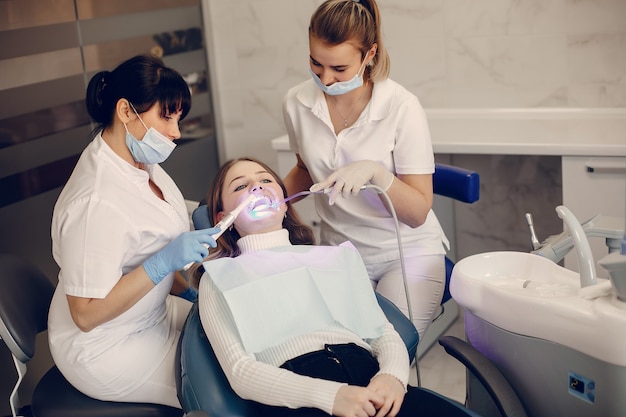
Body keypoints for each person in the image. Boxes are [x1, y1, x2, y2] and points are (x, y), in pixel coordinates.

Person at [190, 157, 477, 417]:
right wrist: (331, 396)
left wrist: (392, 376)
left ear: (285, 201)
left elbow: (383, 334)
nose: (257, 187)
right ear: (221, 218)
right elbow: (242, 372)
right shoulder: (218, 279)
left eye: (266, 180)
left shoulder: (332, 259)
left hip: (372, 383)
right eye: (241, 186)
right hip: (300, 398)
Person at [48, 54, 219, 408]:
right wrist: (163, 263)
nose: (175, 132)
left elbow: (148, 242)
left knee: (235, 339)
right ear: (126, 111)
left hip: (152, 313)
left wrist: (191, 293)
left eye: (178, 118)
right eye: (166, 116)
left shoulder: (141, 160)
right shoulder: (94, 202)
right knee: (220, 389)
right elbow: (85, 314)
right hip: (106, 346)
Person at [282, 0, 448, 338]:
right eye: (316, 63)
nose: (325, 78)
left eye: (339, 69)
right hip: (340, 253)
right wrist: (267, 198)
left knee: (383, 345)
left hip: (405, 253)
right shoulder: (296, 102)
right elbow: (305, 169)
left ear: (369, 54)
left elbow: (417, 212)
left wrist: (378, 173)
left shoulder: (401, 107)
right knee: (325, 347)